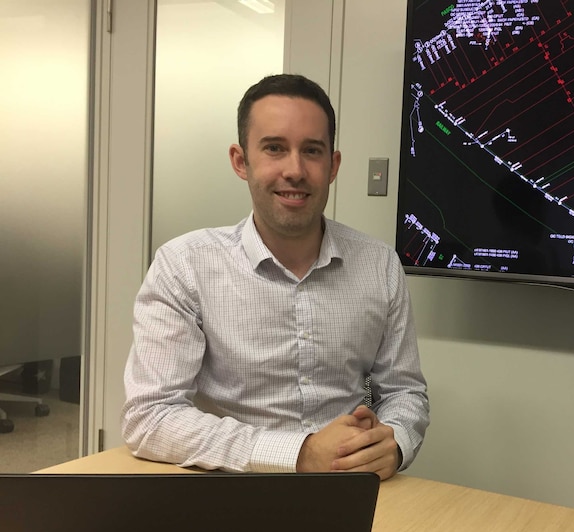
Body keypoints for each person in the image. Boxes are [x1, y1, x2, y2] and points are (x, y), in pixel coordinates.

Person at [121, 74, 429, 480]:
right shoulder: (184, 266)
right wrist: (299, 454)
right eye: (274, 148)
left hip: (351, 490)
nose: (295, 170)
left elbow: (405, 393)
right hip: (234, 490)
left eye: (312, 151)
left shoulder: (379, 265)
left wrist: (394, 442)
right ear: (240, 160)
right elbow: (150, 416)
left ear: (333, 166)